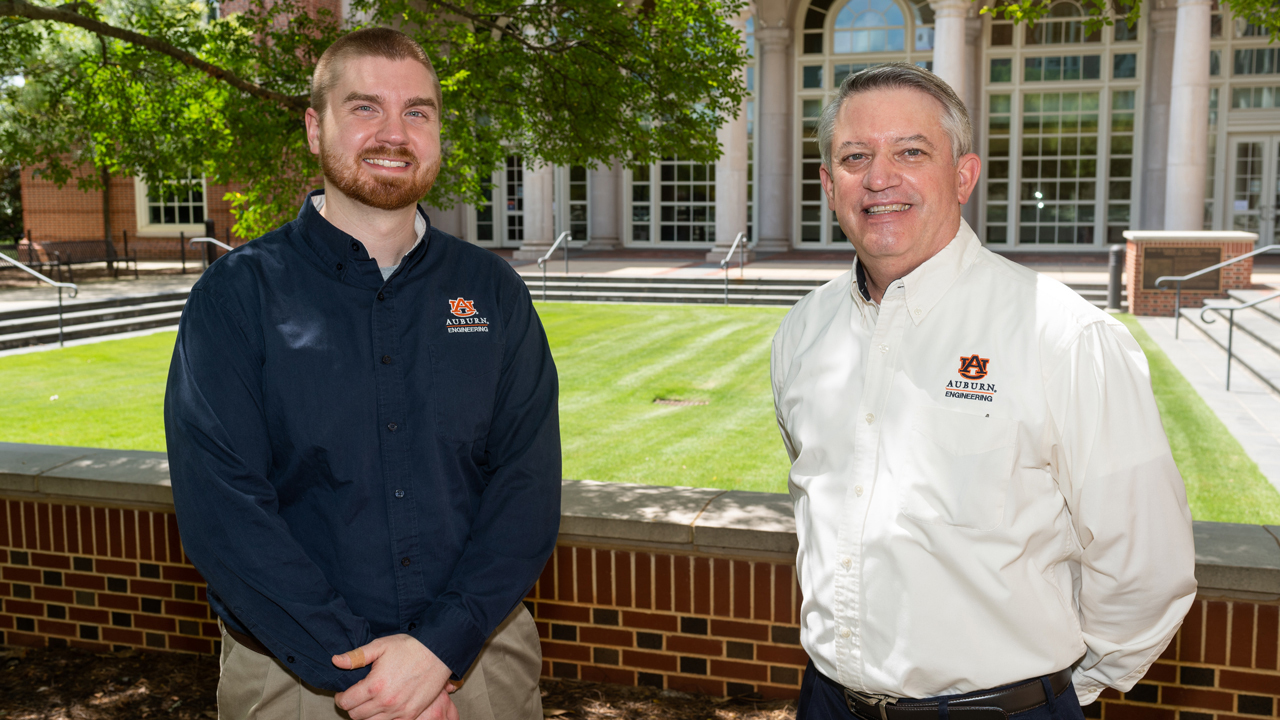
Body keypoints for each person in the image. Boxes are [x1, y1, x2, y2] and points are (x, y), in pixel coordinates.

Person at [769, 62, 1196, 720]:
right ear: (829, 186)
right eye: (855, 156)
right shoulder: (802, 334)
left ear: (963, 176)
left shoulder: (1064, 337)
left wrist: (1050, 696)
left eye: (911, 152)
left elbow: (1146, 567)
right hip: (827, 703)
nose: (879, 178)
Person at [165, 27, 561, 720]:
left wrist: (438, 650)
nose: (394, 132)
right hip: (294, 679)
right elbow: (223, 514)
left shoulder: (493, 293)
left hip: (479, 668)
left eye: (417, 112)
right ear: (315, 129)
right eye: (365, 108)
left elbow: (525, 490)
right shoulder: (237, 297)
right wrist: (369, 675)